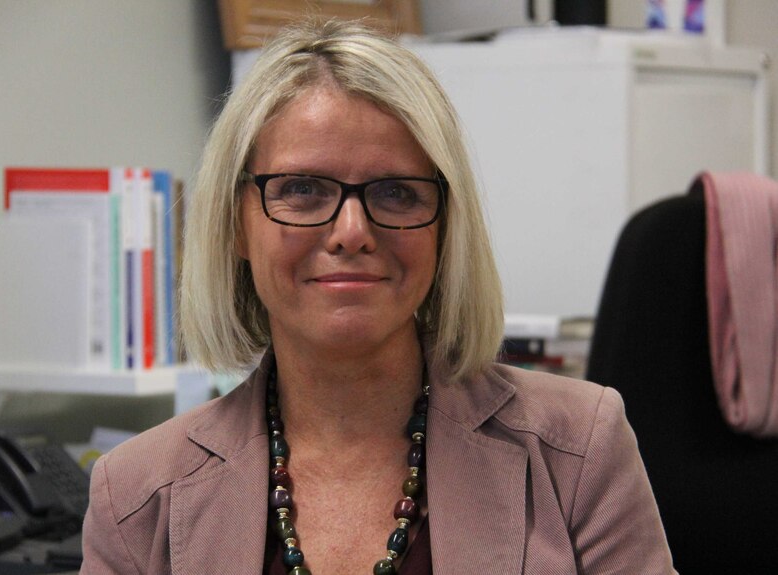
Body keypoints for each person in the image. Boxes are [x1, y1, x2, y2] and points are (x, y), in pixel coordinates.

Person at [80, 19, 676, 575]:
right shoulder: (137, 495)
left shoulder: (578, 450)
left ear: (445, 228)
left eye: (396, 192)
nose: (352, 233)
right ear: (236, 224)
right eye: (302, 189)